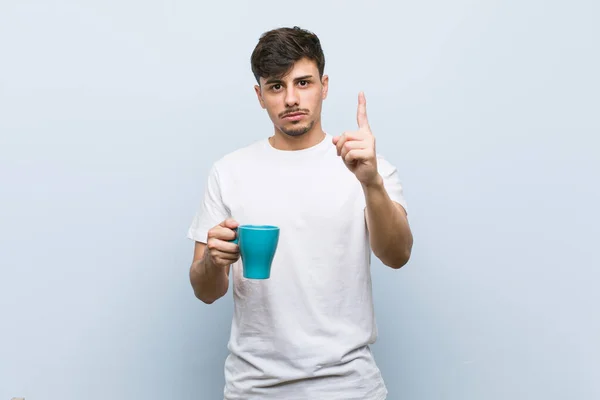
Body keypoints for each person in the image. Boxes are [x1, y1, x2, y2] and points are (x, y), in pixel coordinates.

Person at [187, 26, 413, 400]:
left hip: (349, 387)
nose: (291, 98)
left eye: (303, 83)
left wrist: (371, 183)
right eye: (277, 86)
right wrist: (213, 261)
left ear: (324, 86)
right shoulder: (228, 172)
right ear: (260, 96)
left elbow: (398, 255)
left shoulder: (366, 165)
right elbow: (206, 291)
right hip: (254, 388)